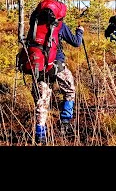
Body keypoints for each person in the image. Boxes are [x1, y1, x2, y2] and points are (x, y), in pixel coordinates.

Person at [32, 14, 84, 145]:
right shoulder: (60, 26)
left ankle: (40, 134)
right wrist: (80, 31)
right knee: (69, 90)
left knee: (42, 100)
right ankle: (65, 122)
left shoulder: (36, 25)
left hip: (40, 67)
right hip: (58, 66)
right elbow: (76, 42)